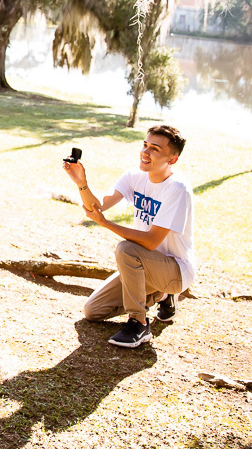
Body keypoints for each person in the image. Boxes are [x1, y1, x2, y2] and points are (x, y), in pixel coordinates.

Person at [63, 125, 195, 347]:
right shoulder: (135, 177)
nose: (145, 152)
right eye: (145, 145)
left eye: (155, 148)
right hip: (145, 266)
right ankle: (161, 296)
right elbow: (99, 206)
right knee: (92, 311)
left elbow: (152, 241)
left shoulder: (177, 189)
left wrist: (105, 224)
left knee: (126, 249)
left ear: (172, 160)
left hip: (176, 270)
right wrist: (82, 184)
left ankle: (139, 323)